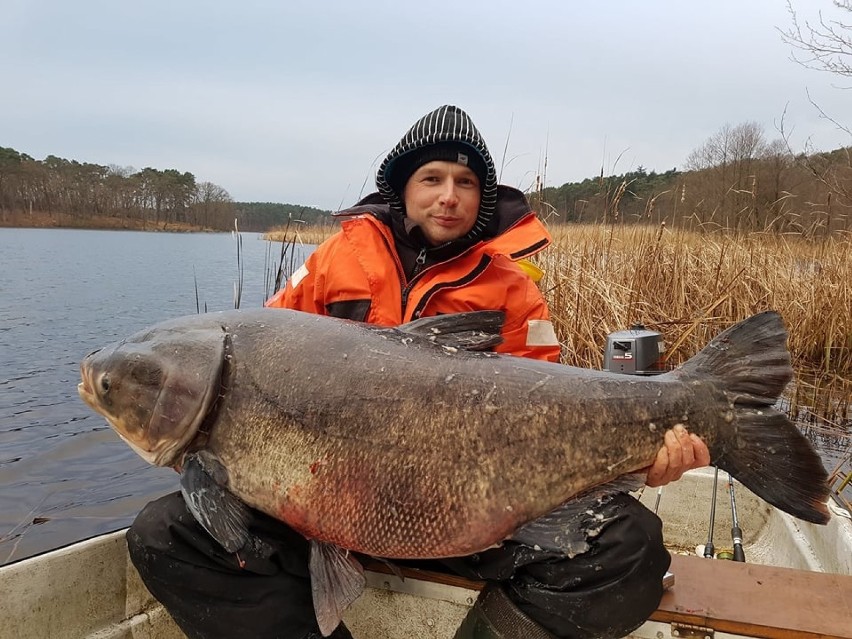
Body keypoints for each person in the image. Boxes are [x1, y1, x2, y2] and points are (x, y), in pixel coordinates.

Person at [127, 105, 710, 639]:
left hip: (468, 512)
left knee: (628, 546)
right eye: (431, 180)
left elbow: (546, 415)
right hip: (315, 501)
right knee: (166, 534)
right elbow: (262, 360)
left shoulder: (513, 290)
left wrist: (634, 462)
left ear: (482, 199)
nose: (448, 196)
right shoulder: (336, 261)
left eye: (465, 184)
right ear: (402, 190)